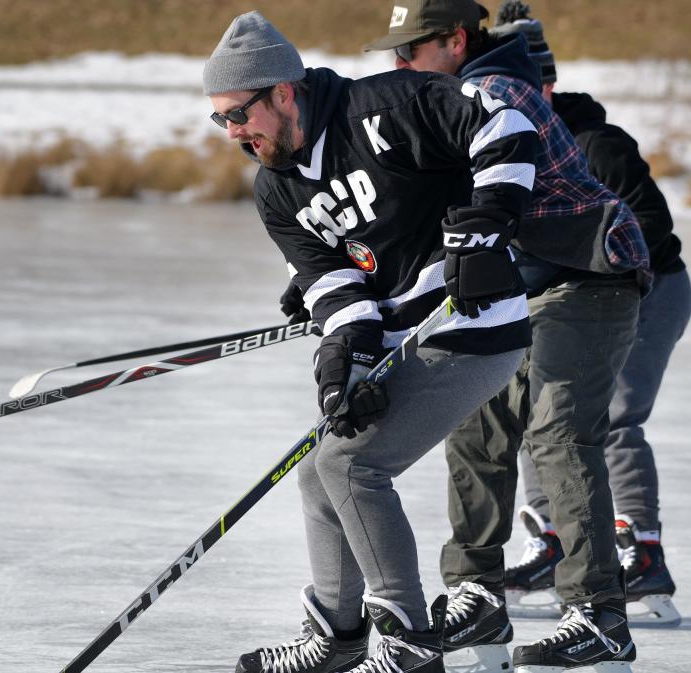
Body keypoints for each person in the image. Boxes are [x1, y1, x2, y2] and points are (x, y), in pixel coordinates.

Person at [204, 10, 540, 673]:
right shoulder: (275, 187)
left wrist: (483, 226)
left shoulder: (384, 105)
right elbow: (333, 287)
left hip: (472, 321)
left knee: (351, 466)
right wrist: (342, 366)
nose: (234, 132)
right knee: (317, 468)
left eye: (240, 113)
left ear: (283, 91)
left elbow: (506, 124)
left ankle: (410, 640)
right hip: (402, 340)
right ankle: (339, 634)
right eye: (221, 120)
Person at [364, 1, 651, 671]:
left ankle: (600, 614)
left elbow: (481, 197)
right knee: (475, 417)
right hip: (522, 279)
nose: (399, 64)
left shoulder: (494, 93)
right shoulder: (447, 96)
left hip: (588, 272)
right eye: (395, 53)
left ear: (455, 41)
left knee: (557, 430)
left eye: (411, 51)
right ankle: (478, 597)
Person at [488, 0, 688, 628]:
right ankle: (550, 543)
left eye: (532, 85)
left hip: (645, 292)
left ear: (548, 84)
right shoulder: (507, 144)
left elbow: (650, 229)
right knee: (536, 413)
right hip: (562, 298)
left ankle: (642, 555)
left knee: (613, 420)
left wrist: (573, 259)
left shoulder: (597, 144)